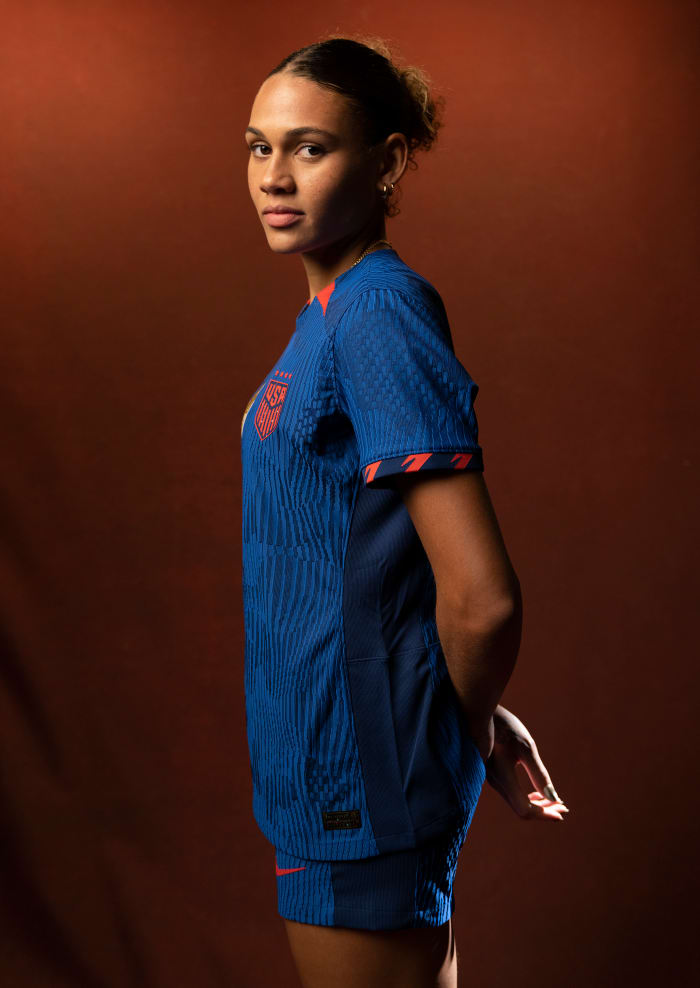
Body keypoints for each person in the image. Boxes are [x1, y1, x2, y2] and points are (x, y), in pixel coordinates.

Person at [240, 34, 570, 988]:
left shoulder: (379, 310)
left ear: (385, 162)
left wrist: (451, 726)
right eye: (259, 147)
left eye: (310, 147)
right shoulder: (332, 313)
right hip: (327, 775)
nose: (276, 175)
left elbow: (482, 598)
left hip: (358, 788)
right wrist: (470, 712)